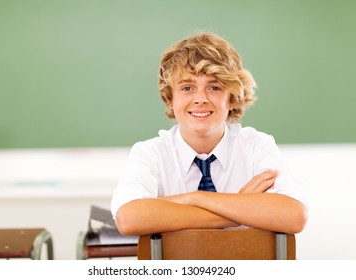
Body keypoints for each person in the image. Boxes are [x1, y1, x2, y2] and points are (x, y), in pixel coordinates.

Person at [111, 31, 308, 236]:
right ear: (170, 98)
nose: (200, 98)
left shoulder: (256, 146)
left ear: (232, 98)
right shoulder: (151, 153)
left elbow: (294, 215)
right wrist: (239, 206)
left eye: (214, 87)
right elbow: (129, 218)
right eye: (187, 87)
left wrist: (195, 198)